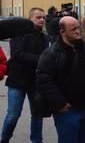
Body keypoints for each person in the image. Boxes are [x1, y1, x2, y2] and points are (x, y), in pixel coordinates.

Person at [36, 16, 85, 143]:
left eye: (78, 28)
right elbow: (44, 81)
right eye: (73, 29)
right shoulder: (51, 54)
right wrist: (60, 103)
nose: (78, 31)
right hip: (68, 110)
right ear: (62, 32)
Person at [0, 7, 49, 143]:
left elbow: (46, 57)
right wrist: (41, 59)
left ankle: (36, 140)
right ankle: (4, 138)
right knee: (13, 115)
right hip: (17, 80)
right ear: (29, 19)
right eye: (38, 17)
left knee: (37, 114)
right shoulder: (18, 34)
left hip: (36, 81)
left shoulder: (45, 38)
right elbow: (18, 55)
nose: (42, 20)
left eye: (43, 18)